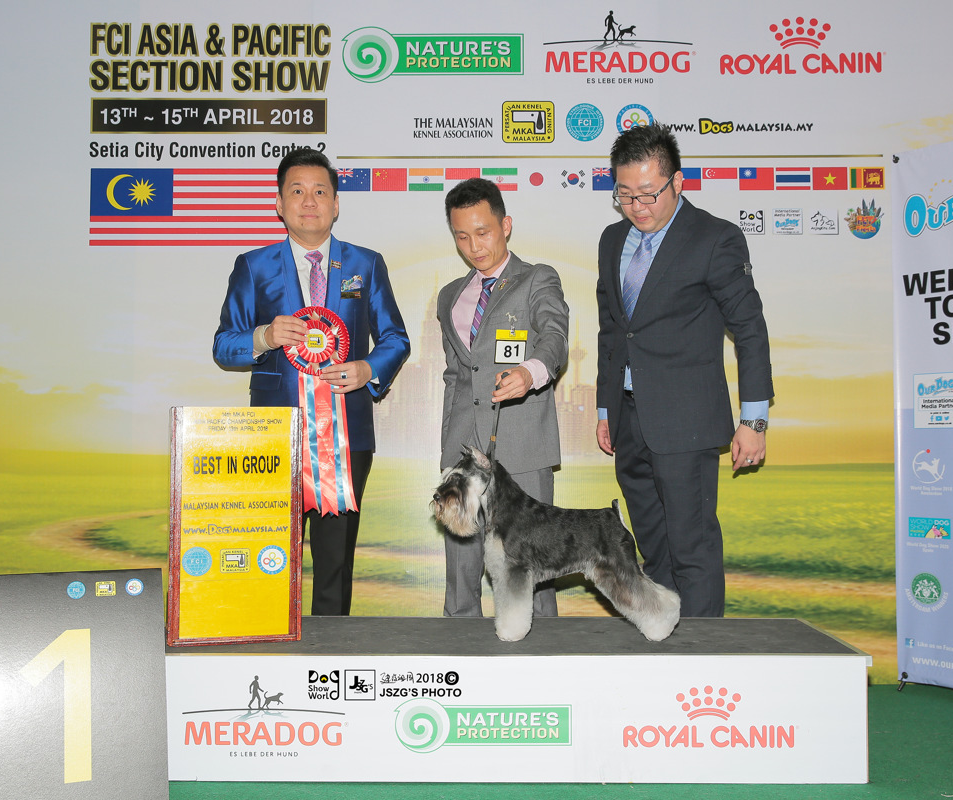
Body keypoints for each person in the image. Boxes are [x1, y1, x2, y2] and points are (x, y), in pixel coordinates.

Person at [214, 148, 410, 616]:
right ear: (279, 204)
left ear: (336, 204)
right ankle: (268, 640)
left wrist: (368, 369)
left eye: (320, 191)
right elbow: (223, 344)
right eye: (297, 191)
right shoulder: (253, 266)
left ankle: (331, 650)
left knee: (335, 562)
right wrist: (263, 337)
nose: (309, 201)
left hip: (347, 437)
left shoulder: (366, 264)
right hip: (274, 437)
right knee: (269, 556)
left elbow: (395, 338)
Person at [595, 124, 773, 618]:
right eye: (625, 195)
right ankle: (665, 641)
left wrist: (754, 419)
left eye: (648, 193)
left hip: (687, 421)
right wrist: (606, 408)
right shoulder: (612, 240)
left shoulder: (715, 238)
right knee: (652, 549)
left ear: (677, 181)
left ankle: (702, 652)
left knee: (693, 548)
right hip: (628, 420)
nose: (637, 207)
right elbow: (613, 331)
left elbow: (750, 330)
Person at [437, 178, 569, 617]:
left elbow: (554, 336)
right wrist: (448, 447)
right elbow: (456, 376)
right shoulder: (450, 296)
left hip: (523, 445)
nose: (474, 246)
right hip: (463, 449)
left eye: (483, 232)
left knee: (533, 564)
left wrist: (531, 372)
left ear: (505, 225)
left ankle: (543, 646)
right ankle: (459, 641)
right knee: (462, 568)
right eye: (462, 236)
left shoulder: (537, 278)